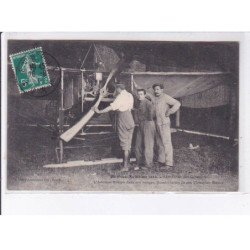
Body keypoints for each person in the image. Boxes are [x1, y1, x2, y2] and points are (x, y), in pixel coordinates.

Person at [94, 83, 135, 172]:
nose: (115, 92)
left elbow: (112, 107)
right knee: (128, 143)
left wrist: (100, 111)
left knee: (124, 143)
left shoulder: (120, 97)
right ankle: (127, 163)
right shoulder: (129, 95)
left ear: (118, 89)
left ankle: (125, 167)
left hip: (123, 118)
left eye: (116, 90)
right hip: (130, 118)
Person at [152, 83, 181, 169]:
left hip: (164, 123)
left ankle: (169, 163)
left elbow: (177, 103)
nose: (156, 91)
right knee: (159, 143)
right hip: (157, 123)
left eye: (158, 89)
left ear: (162, 90)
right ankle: (161, 161)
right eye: (155, 89)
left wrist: (170, 111)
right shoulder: (155, 98)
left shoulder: (165, 97)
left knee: (166, 143)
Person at [134, 89, 156, 170]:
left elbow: (151, 115)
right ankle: (138, 162)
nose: (139, 96)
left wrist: (145, 119)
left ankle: (148, 164)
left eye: (141, 94)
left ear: (145, 94)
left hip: (148, 124)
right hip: (140, 124)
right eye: (138, 94)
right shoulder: (138, 102)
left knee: (148, 144)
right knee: (138, 145)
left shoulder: (148, 103)